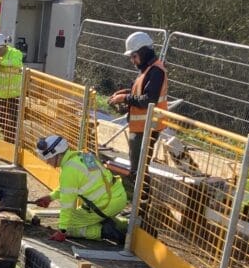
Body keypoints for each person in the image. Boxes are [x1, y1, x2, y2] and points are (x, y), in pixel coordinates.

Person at [33, 133, 127, 243]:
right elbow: (73, 185)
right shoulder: (83, 155)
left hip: (105, 205)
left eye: (48, 158)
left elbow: (67, 205)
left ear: (56, 154)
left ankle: (104, 231)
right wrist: (50, 197)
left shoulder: (68, 172)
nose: (47, 162)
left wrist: (62, 231)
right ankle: (122, 224)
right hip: (118, 197)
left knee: (69, 224)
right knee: (73, 217)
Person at [108, 32, 168, 190]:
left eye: (134, 56)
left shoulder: (156, 71)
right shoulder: (148, 70)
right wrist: (126, 93)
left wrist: (125, 99)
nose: (132, 61)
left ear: (143, 52)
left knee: (139, 170)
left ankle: (140, 206)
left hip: (148, 128)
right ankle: (138, 205)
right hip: (141, 127)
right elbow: (141, 94)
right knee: (138, 168)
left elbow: (148, 100)